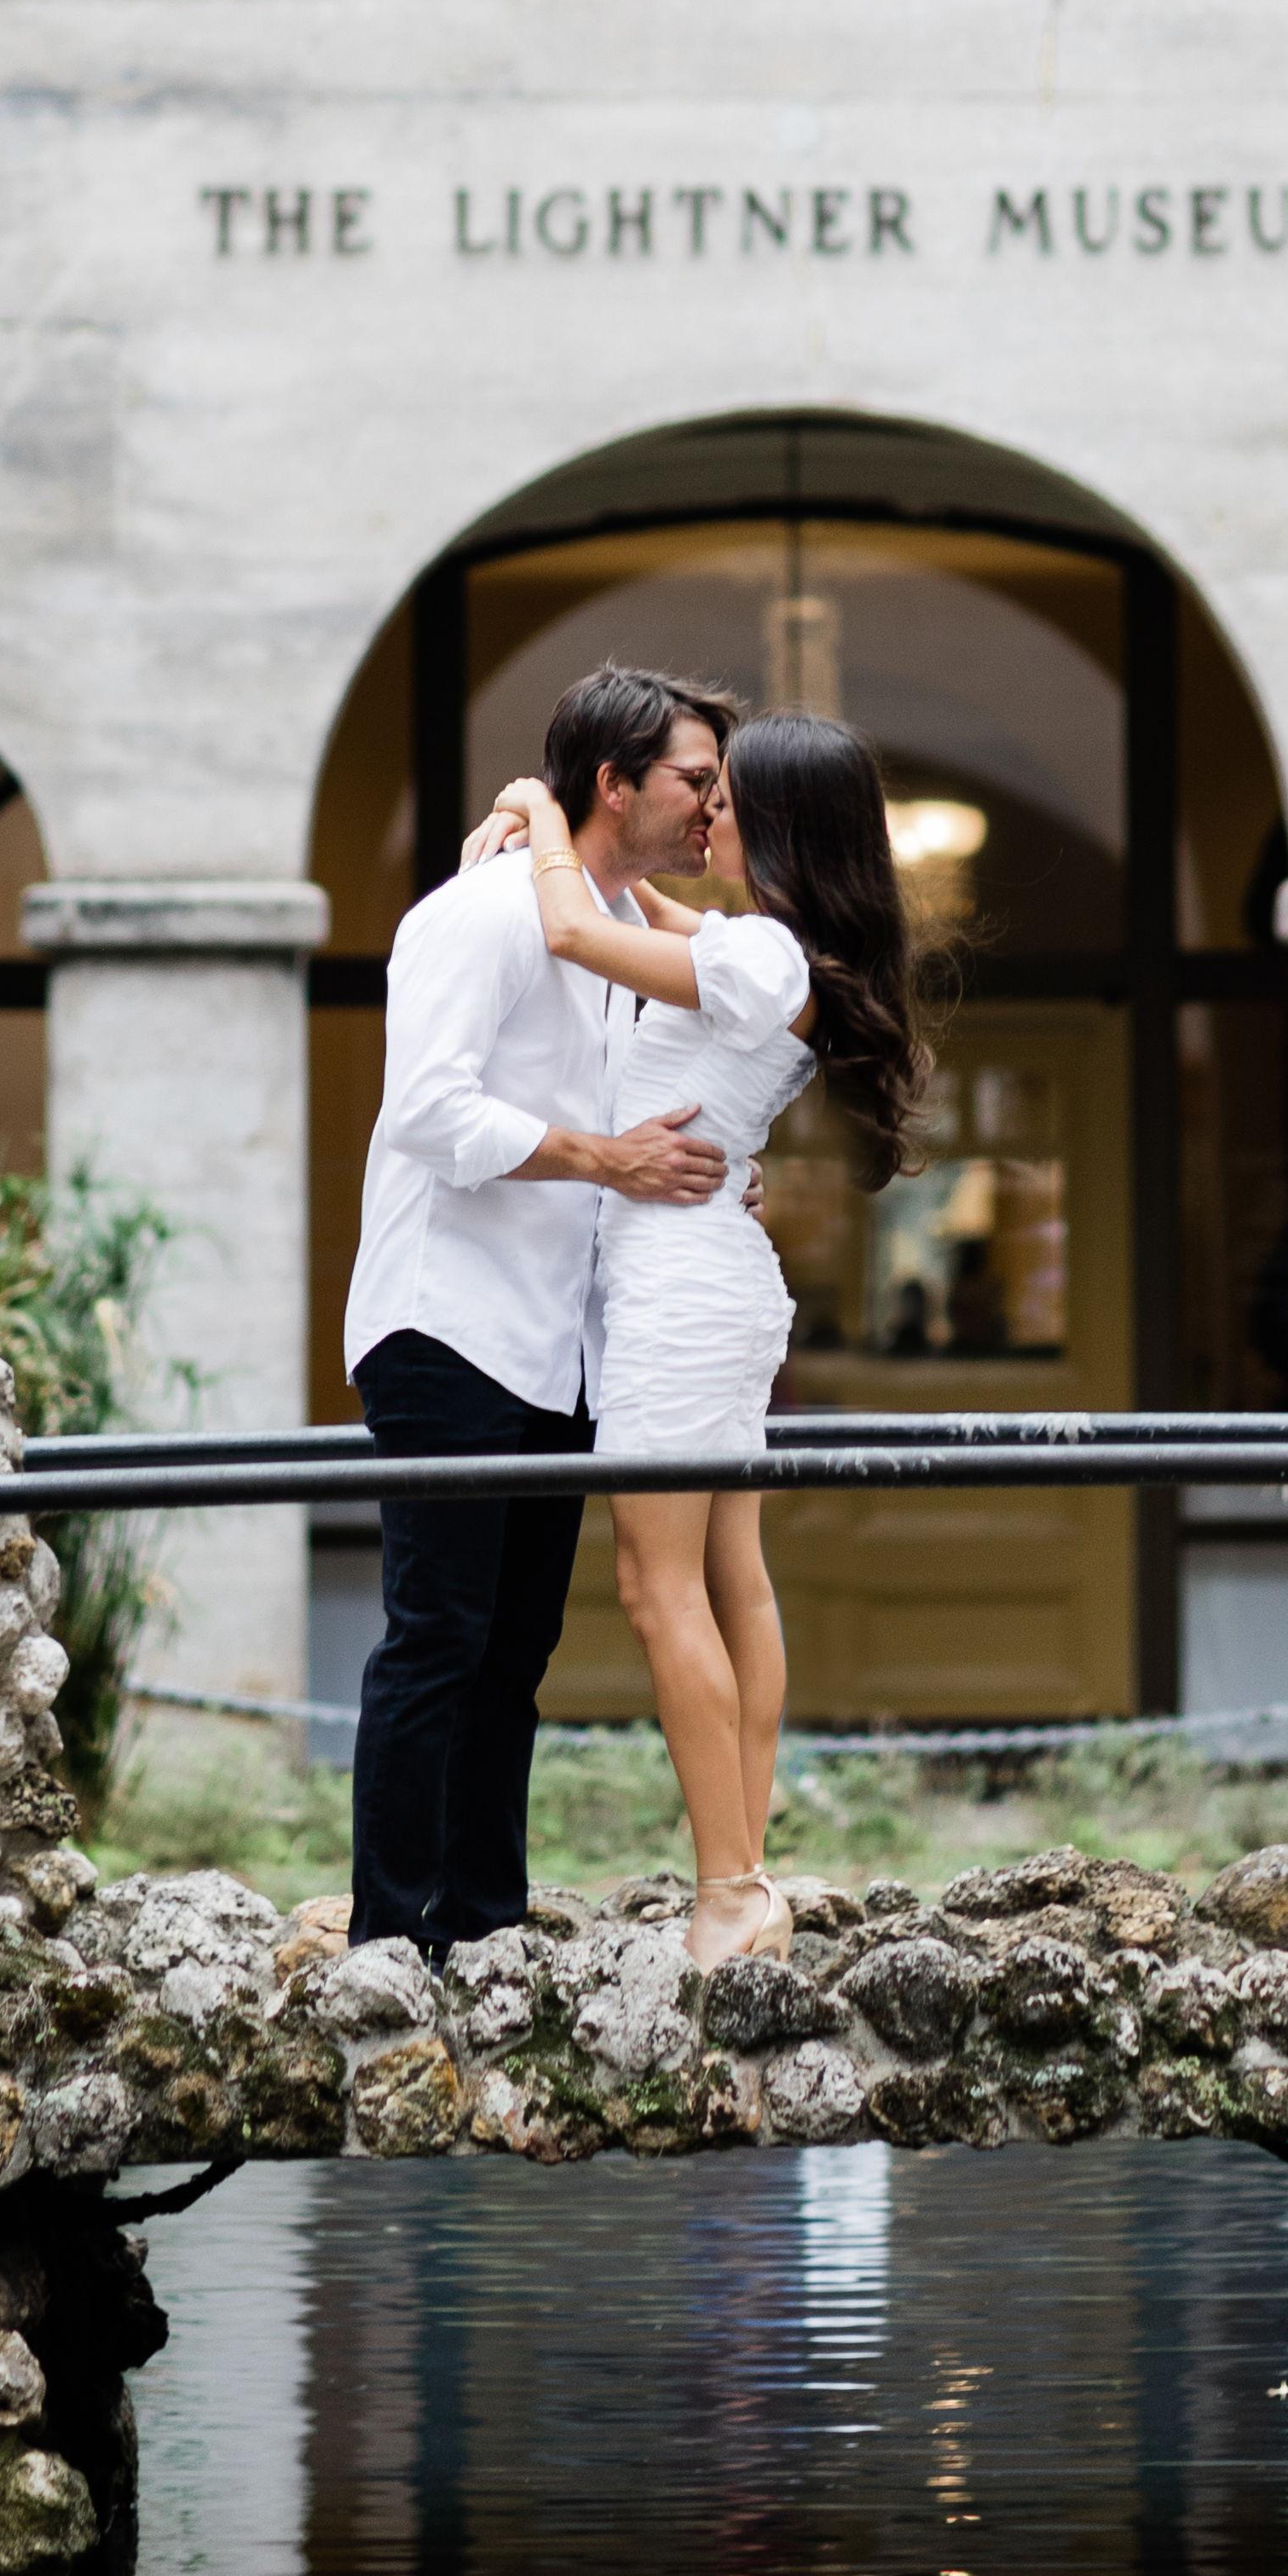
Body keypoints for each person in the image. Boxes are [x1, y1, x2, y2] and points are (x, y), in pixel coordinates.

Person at [473, 709, 939, 1972]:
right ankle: (744, 1869)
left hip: (681, 1294)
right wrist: (565, 833)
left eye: (727, 797)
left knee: (659, 1585)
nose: (706, 812)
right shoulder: (767, 950)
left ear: (778, 821)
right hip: (706, 1278)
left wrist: (539, 802)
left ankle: (730, 1888)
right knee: (733, 1578)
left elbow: (576, 930)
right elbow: (643, 914)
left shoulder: (765, 959)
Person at [306, 666, 739, 1963]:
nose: (712, 806)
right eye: (694, 780)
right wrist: (611, 1158)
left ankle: (485, 1927)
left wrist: (696, 1173)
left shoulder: (607, 924)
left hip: (560, 1343)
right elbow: (428, 1113)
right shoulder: (481, 911)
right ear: (613, 784)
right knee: (437, 1638)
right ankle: (391, 1946)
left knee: (516, 1650)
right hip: (446, 1325)